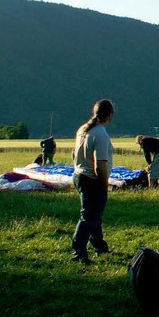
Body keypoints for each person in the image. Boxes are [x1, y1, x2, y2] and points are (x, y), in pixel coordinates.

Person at [71, 99, 115, 264]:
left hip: (79, 175)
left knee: (95, 216)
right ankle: (78, 251)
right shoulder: (100, 134)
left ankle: (99, 246)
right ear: (110, 115)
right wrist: (104, 185)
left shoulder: (83, 129)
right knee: (89, 217)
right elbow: (100, 165)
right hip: (92, 180)